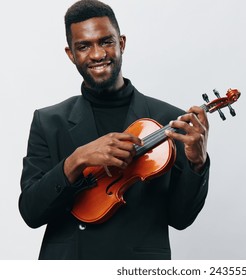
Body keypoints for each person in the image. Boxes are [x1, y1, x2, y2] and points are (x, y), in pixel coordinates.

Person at [19, 0, 209, 260]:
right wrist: (77, 160)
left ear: (122, 43)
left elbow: (181, 218)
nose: (97, 54)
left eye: (106, 41)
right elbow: (31, 212)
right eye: (84, 46)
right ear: (71, 54)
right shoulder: (48, 121)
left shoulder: (167, 119)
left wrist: (197, 164)